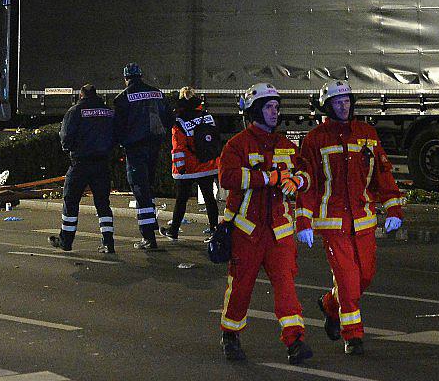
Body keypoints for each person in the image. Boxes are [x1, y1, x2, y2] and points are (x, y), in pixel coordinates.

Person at [297, 80, 405, 356]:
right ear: (328, 106)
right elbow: (309, 184)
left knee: (365, 276)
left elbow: (382, 173)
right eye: (337, 102)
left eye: (346, 101)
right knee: (347, 280)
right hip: (333, 223)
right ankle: (353, 335)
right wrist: (304, 221)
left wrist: (393, 208)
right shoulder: (315, 140)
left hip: (364, 219)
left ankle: (331, 306)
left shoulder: (367, 133)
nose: (343, 106)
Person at [216, 82, 312, 364]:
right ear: (255, 110)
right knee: (241, 287)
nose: (275, 112)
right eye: (269, 107)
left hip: (279, 232)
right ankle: (230, 335)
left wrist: (298, 181)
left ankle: (295, 341)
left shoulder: (285, 145)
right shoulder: (237, 145)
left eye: (277, 107)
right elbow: (228, 178)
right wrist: (266, 178)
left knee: (286, 286)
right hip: (246, 231)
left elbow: (306, 175)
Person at [50, 84, 116, 254]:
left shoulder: (75, 111)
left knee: (70, 201)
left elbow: (65, 137)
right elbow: (116, 134)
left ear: (81, 95)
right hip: (102, 164)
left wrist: (71, 149)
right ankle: (108, 242)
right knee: (103, 204)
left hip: (80, 163)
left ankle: (66, 241)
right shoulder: (108, 111)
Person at [112, 62, 172, 250]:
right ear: (140, 75)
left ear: (126, 78)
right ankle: (151, 225)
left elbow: (117, 127)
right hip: (154, 146)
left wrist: (120, 143)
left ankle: (148, 237)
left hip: (135, 149)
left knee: (140, 189)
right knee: (149, 187)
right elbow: (169, 119)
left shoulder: (122, 98)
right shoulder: (157, 93)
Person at [161, 87, 222, 242]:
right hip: (206, 165)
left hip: (188, 168)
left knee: (181, 199)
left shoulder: (179, 121)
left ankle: (173, 230)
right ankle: (214, 230)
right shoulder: (207, 116)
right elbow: (215, 140)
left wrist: (179, 168)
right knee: (209, 197)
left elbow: (178, 148)